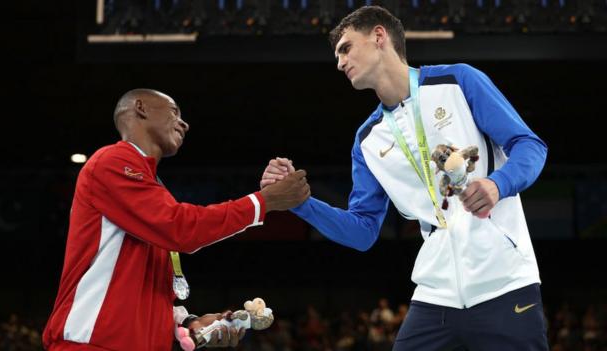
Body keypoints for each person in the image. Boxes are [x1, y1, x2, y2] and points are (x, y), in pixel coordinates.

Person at [261, 6, 548, 351]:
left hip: (505, 283)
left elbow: (529, 146)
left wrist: (497, 184)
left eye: (346, 48)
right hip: (435, 294)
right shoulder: (368, 140)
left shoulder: (458, 81)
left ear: (379, 37)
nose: (339, 63)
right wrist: (302, 204)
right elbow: (363, 231)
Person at [43, 89, 310, 351]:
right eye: (174, 112)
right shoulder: (112, 161)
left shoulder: (152, 190)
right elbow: (181, 228)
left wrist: (189, 321)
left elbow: (142, 289)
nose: (184, 123)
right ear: (141, 108)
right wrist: (264, 202)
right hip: (90, 344)